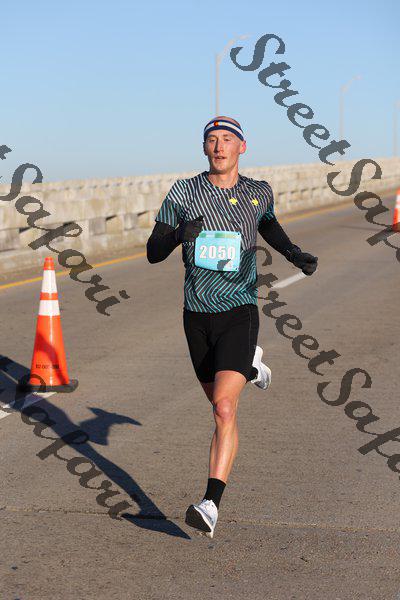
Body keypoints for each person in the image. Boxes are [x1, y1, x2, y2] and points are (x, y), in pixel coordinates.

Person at [146, 116, 318, 538]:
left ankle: (210, 504)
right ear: (204, 148)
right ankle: (250, 366)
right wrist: (179, 234)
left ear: (243, 147)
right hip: (196, 314)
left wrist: (294, 253)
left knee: (225, 408)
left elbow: (268, 223)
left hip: (239, 309)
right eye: (211, 140)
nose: (219, 146)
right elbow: (152, 251)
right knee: (217, 403)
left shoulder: (259, 191)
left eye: (227, 139)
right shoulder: (183, 192)